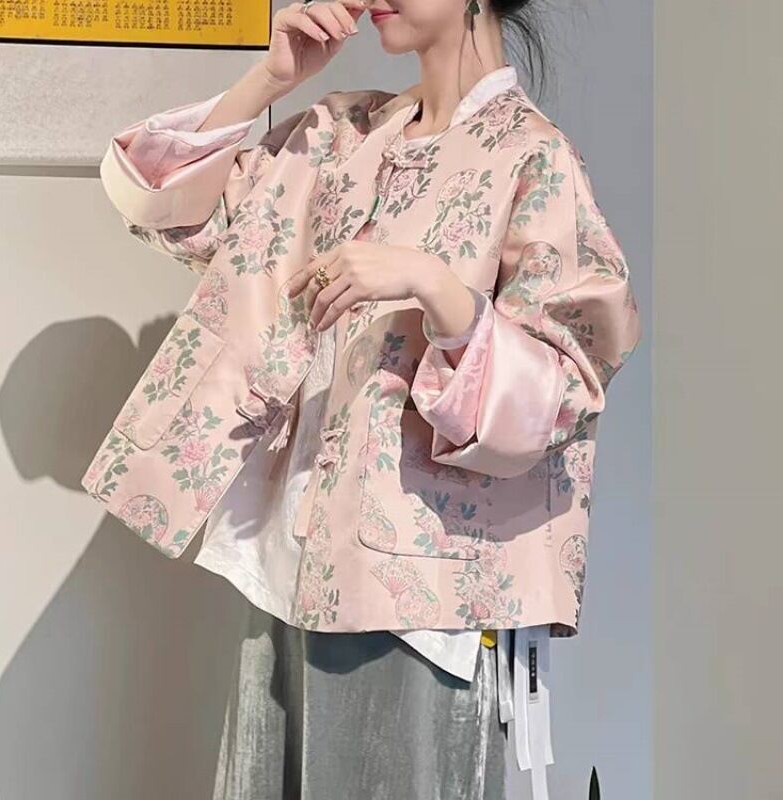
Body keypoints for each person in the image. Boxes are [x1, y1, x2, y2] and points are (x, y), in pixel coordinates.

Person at [88, 1, 641, 797]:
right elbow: (165, 207)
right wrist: (270, 78)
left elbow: (561, 393)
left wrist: (435, 286)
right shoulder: (340, 132)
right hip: (287, 569)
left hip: (421, 598)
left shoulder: (535, 159)